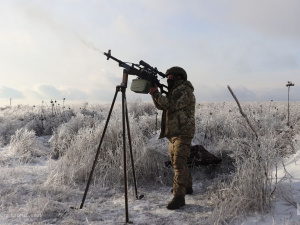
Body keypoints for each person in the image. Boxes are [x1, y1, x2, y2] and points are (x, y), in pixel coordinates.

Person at [149, 66, 195, 210]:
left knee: (178, 164)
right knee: (178, 162)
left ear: (178, 77)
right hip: (174, 132)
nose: (168, 79)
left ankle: (179, 197)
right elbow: (162, 106)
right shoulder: (174, 91)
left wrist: (157, 93)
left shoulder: (185, 91)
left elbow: (171, 104)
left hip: (183, 132)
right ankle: (187, 187)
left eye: (170, 77)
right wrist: (154, 93)